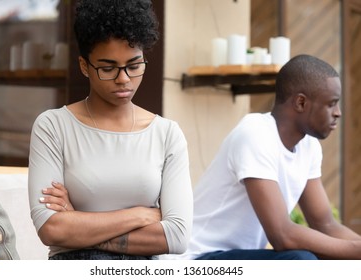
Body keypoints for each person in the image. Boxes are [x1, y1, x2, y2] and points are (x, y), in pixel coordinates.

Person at [28, 0, 193, 260]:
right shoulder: (53, 126)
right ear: (85, 66)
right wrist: (140, 215)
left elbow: (176, 236)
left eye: (134, 65)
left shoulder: (166, 134)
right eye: (108, 68)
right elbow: (51, 229)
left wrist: (79, 226)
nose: (124, 79)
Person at [169, 54, 361, 260]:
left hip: (241, 258)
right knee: (301, 261)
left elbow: (325, 224)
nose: (338, 112)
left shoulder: (309, 146)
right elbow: (281, 234)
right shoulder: (255, 133)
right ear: (301, 102)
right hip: (196, 259)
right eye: (331, 103)